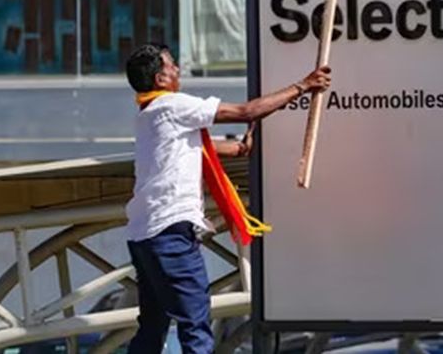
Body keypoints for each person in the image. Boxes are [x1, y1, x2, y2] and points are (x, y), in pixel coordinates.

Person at [123, 43, 331, 353]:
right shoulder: (173, 105)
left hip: (143, 234)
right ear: (159, 79)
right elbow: (244, 112)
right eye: (172, 66)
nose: (178, 70)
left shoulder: (148, 114)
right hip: (170, 230)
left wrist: (239, 149)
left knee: (152, 328)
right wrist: (304, 85)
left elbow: (187, 149)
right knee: (195, 325)